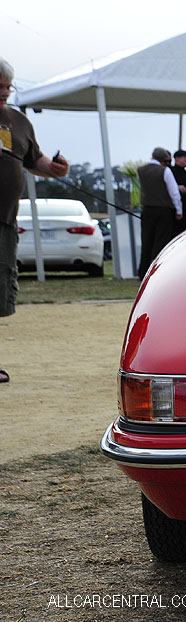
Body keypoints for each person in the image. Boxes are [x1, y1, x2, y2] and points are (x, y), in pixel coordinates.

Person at [0, 56, 69, 383]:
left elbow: (34, 160)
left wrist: (53, 168)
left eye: (8, 87)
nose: (5, 92)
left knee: (1, 288)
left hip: (5, 221)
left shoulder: (18, 121)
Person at [136, 147, 182, 279]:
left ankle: (143, 272)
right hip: (163, 210)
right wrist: (179, 210)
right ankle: (157, 271)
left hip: (147, 209)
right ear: (163, 159)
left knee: (146, 241)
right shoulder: (165, 171)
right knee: (161, 241)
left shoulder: (141, 170)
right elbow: (174, 192)